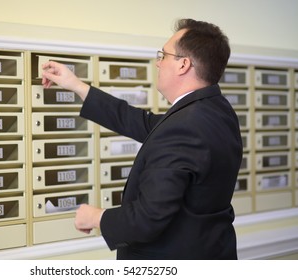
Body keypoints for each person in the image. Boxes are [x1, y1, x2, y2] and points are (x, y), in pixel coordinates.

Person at [41, 18, 243, 260]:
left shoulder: (185, 127)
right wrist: (76, 85)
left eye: (164, 55)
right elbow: (142, 122)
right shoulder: (215, 110)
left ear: (183, 65)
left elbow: (148, 218)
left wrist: (96, 217)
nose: (158, 63)